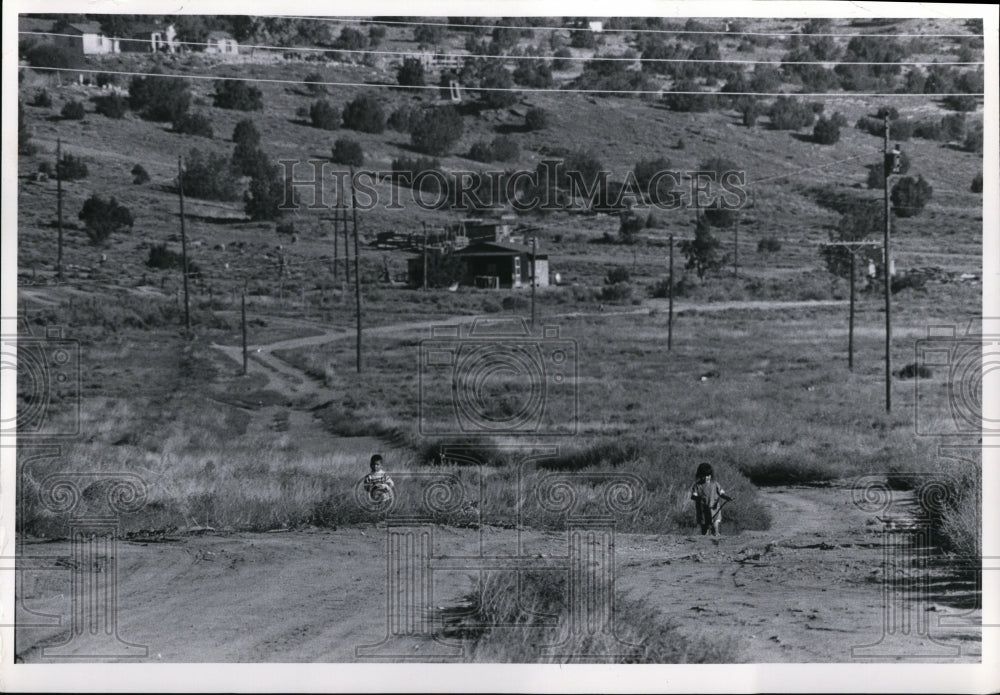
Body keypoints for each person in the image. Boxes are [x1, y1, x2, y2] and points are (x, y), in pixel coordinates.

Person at [690, 462, 733, 536]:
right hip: (703, 510)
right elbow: (693, 496)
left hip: (715, 509)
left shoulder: (715, 484)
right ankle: (705, 544)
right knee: (704, 529)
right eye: (705, 475)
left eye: (709, 475)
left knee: (716, 526)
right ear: (700, 475)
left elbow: (721, 493)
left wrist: (727, 497)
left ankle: (717, 539)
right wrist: (699, 498)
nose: (707, 477)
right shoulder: (697, 486)